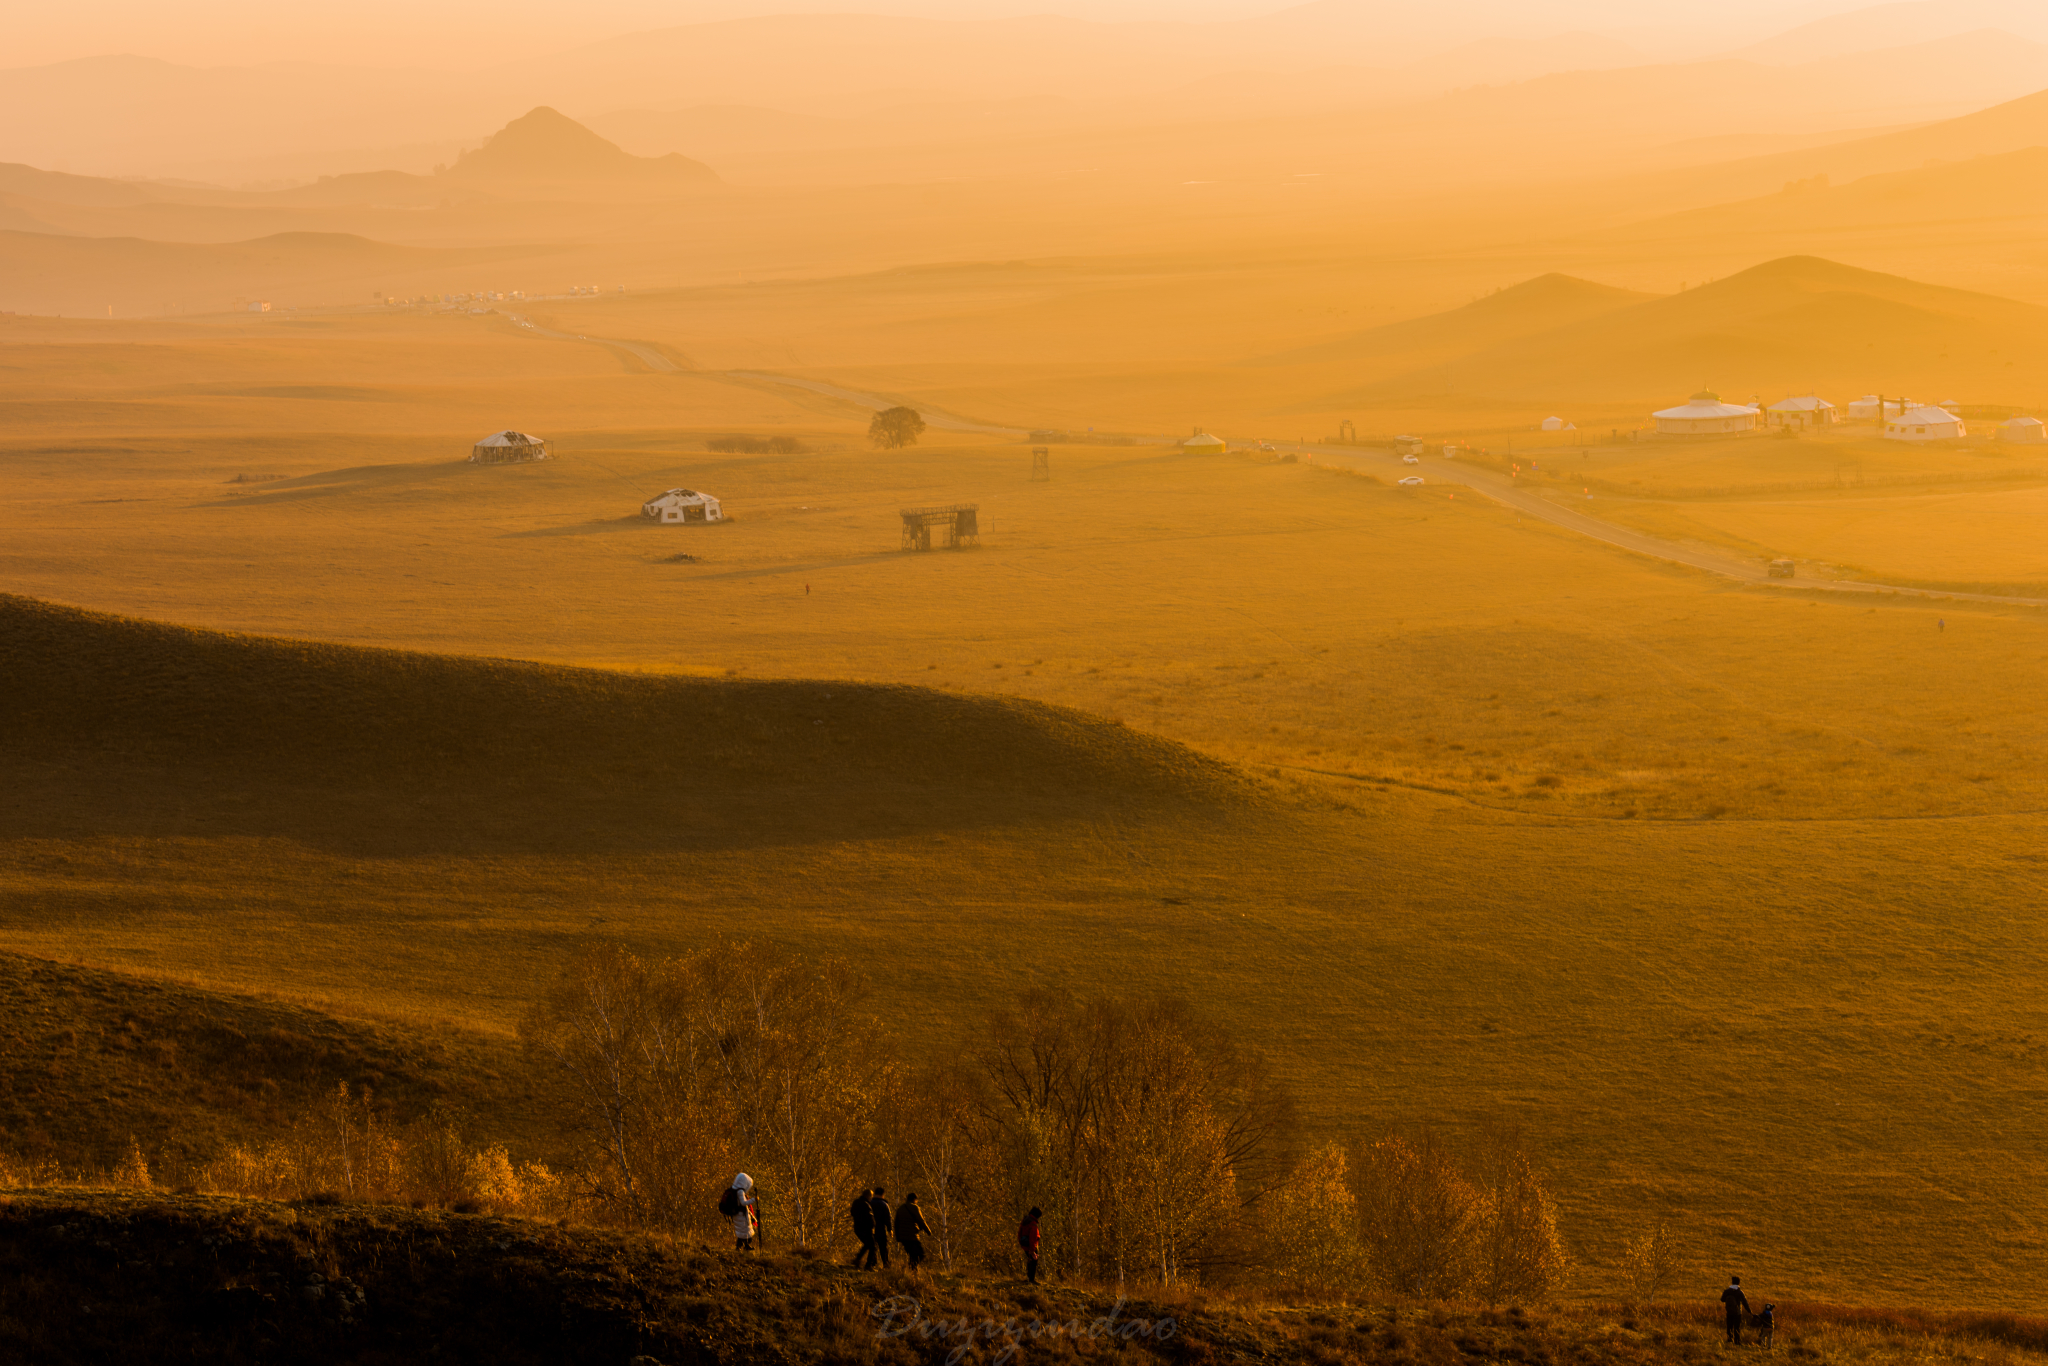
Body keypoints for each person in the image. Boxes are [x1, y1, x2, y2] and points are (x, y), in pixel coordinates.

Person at [896, 1192, 931, 1270]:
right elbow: (921, 1221)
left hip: (903, 1237)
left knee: (912, 1255)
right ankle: (912, 1268)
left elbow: (896, 1223)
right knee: (921, 1254)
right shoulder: (914, 1207)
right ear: (914, 1199)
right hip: (912, 1236)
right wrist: (928, 1231)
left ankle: (912, 1273)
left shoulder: (900, 1208)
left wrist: (898, 1237)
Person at [731, 1174, 759, 1252]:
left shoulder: (735, 1189)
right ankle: (739, 1247)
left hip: (739, 1214)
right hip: (741, 1215)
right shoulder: (740, 1191)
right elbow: (743, 1203)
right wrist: (754, 1199)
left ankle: (745, 1246)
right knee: (743, 1232)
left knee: (744, 1232)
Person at [1722, 1276, 1753, 1346]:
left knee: (1729, 1326)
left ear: (1732, 1282)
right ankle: (1737, 1341)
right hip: (1737, 1312)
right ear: (1739, 1283)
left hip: (1729, 1311)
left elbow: (1722, 1299)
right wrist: (1749, 1311)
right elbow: (1745, 1302)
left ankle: (1729, 1340)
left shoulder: (1727, 1291)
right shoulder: (1739, 1292)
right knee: (1737, 1327)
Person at [868, 1187, 894, 1269]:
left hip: (870, 1229)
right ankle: (886, 1264)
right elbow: (888, 1218)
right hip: (881, 1229)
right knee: (883, 1248)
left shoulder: (869, 1203)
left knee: (873, 1248)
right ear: (883, 1194)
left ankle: (872, 1264)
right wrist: (890, 1229)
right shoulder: (884, 1205)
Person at [851, 1187, 877, 1268]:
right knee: (873, 1247)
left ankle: (857, 1260)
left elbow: (852, 1213)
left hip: (857, 1227)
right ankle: (868, 1265)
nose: (871, 1198)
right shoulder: (866, 1205)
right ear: (868, 1196)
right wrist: (873, 1225)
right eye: (871, 1196)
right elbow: (870, 1218)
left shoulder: (856, 1202)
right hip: (866, 1229)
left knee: (867, 1245)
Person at [1018, 1207, 1042, 1284]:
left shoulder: (1024, 1221)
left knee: (1030, 1261)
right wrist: (1032, 1250)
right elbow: (1032, 1238)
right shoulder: (1033, 1224)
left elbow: (1019, 1233)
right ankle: (1031, 1280)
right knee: (1034, 1261)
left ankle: (1028, 1278)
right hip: (1031, 1246)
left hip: (1024, 1244)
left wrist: (1021, 1243)